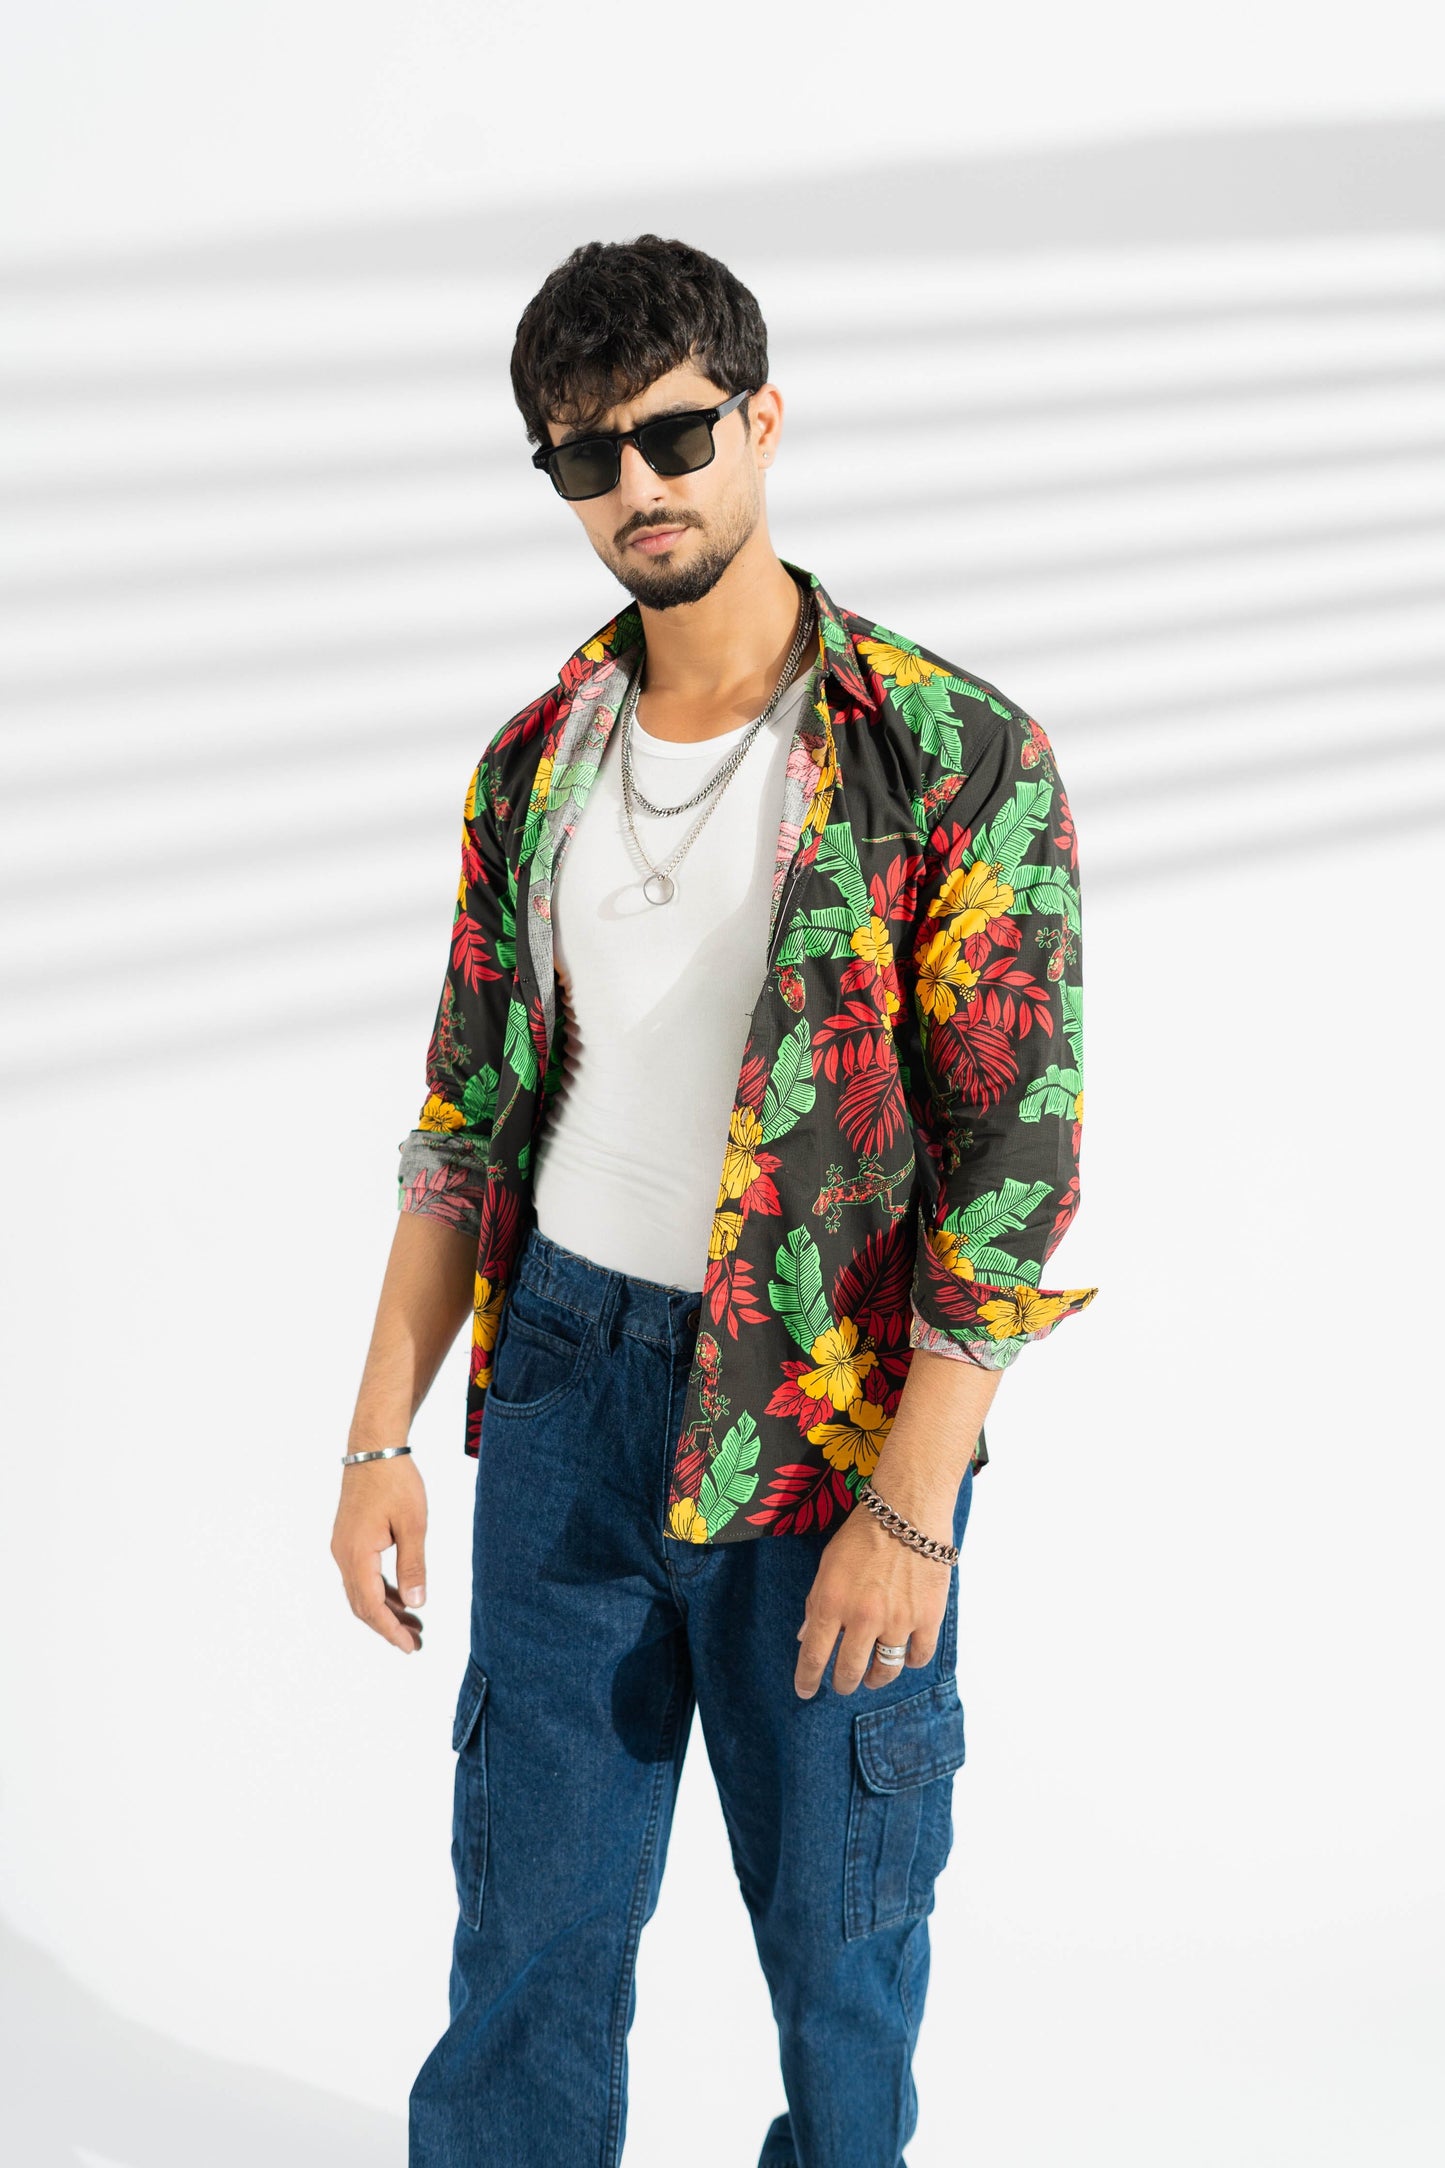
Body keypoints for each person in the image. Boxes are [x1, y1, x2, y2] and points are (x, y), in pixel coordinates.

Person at [331, 233, 1097, 2168]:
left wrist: (909, 1511)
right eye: (584, 458)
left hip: (829, 1422)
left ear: (761, 420)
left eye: (673, 435)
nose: (636, 489)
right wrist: (378, 1436)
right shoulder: (534, 764)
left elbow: (1014, 1167)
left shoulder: (947, 752)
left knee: (843, 1951)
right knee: (526, 1935)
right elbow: (461, 1123)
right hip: (564, 1386)